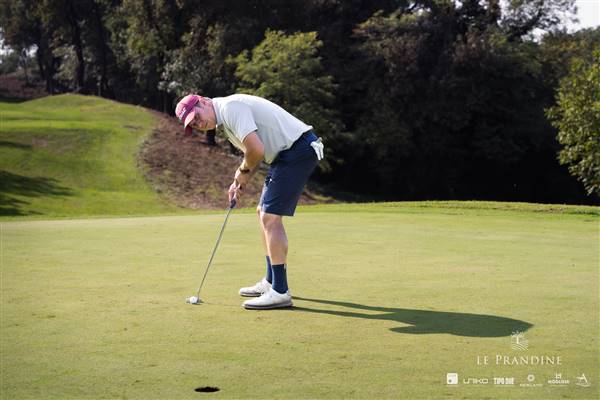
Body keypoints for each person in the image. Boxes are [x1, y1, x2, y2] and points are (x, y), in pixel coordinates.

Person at [175, 94, 324, 310]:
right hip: (286, 154)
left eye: (196, 117)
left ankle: (280, 291)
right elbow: (253, 154)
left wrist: (242, 172)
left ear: (204, 101)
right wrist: (239, 183)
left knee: (270, 217)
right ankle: (271, 281)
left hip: (298, 149)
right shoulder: (225, 121)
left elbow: (256, 151)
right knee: (262, 212)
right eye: (193, 125)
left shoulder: (230, 108)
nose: (198, 124)